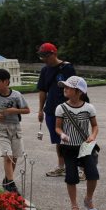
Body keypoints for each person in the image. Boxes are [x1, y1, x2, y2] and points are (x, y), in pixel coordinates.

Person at [54, 76, 100, 210]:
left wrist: (92, 136)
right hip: (68, 148)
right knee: (71, 177)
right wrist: (62, 135)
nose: (65, 89)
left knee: (93, 175)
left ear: (79, 91)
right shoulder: (61, 108)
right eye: (65, 87)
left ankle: (89, 200)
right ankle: (74, 206)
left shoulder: (89, 108)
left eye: (68, 87)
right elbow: (57, 127)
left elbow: (95, 126)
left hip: (85, 147)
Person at [0, 69, 30, 194]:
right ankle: (11, 184)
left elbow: (27, 110)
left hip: (15, 128)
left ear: (6, 81)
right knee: (7, 156)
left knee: (14, 157)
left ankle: (6, 179)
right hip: (1, 129)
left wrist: (13, 110)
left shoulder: (16, 95)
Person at [36, 42, 76, 177]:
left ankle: (80, 167)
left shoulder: (67, 68)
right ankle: (61, 166)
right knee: (58, 140)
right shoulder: (44, 70)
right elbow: (42, 91)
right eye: (41, 57)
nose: (44, 59)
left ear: (54, 53)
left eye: (46, 56)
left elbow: (76, 89)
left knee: (73, 138)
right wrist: (40, 110)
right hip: (51, 110)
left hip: (68, 110)